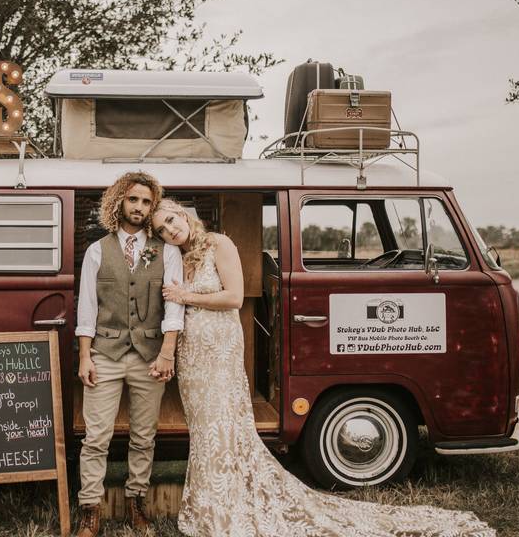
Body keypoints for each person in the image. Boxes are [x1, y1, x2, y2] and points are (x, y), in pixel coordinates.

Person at [149, 198, 496, 537]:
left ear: (183, 213)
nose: (170, 230)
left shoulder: (219, 243)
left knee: (221, 422)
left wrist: (186, 297)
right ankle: (212, 498)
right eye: (161, 229)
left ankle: (222, 502)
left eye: (171, 220)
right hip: (193, 351)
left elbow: (234, 298)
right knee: (204, 425)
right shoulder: (177, 255)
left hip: (220, 346)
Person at [74, 173, 184, 537]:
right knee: (96, 437)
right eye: (133, 200)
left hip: (150, 356)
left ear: (153, 208)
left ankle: (136, 503)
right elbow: (87, 310)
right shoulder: (96, 251)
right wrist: (85, 357)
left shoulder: (167, 251)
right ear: (119, 202)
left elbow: (174, 309)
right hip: (105, 353)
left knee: (143, 436)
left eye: (146, 202)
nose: (139, 208)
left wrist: (167, 352)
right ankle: (90, 508)